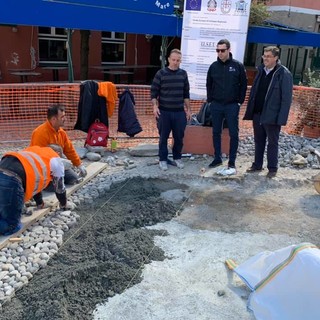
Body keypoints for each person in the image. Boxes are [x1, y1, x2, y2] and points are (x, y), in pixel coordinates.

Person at [243, 46, 293, 178]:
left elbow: (286, 99)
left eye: (268, 56)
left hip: (272, 116)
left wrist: (281, 119)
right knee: (259, 141)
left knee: (272, 142)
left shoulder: (283, 74)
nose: (265, 58)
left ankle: (272, 168)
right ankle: (257, 165)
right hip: (258, 113)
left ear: (276, 58)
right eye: (264, 56)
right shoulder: (260, 71)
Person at [0, 146, 68, 236]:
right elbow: (59, 188)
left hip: (3, 169)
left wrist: (40, 203)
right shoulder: (55, 159)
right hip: (11, 180)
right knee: (11, 226)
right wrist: (63, 204)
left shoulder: (34, 150)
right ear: (58, 153)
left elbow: (34, 179)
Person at [206, 39, 247, 175]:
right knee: (216, 132)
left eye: (222, 50)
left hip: (231, 106)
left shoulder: (238, 66)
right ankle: (217, 158)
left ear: (229, 50)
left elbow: (243, 85)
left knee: (233, 134)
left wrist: (239, 102)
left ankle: (232, 162)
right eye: (217, 50)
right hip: (216, 105)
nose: (220, 53)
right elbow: (209, 84)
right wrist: (210, 101)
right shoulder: (213, 66)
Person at [151, 48, 191, 171]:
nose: (175, 62)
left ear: (180, 61)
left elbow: (186, 94)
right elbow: (154, 92)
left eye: (178, 60)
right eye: (173, 60)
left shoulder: (183, 74)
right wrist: (155, 106)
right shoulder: (161, 74)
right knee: (163, 137)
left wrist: (188, 109)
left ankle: (177, 157)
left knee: (179, 137)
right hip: (164, 112)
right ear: (168, 59)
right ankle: (162, 159)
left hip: (179, 112)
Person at [30, 105, 87, 187]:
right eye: (62, 117)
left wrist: (79, 165)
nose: (65, 119)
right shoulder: (40, 133)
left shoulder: (61, 133)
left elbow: (69, 150)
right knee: (55, 187)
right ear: (54, 119)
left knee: (74, 179)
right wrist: (55, 162)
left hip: (57, 165)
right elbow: (37, 157)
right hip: (43, 170)